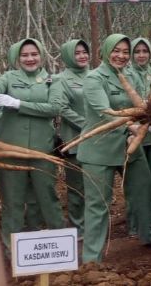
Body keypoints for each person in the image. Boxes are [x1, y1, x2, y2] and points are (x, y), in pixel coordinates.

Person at [77, 34, 151, 262]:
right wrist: (132, 129)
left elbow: (142, 106)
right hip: (99, 148)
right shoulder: (93, 78)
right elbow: (105, 112)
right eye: (116, 50)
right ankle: (91, 259)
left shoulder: (130, 75)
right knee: (98, 203)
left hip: (130, 145)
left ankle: (147, 234)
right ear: (106, 50)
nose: (121, 56)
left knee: (142, 190)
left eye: (125, 52)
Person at [0, 38, 64, 250]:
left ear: (41, 55)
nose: (30, 58)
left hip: (42, 149)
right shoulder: (8, 78)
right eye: (24, 55)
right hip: (9, 149)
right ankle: (12, 250)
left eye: (34, 54)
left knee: (47, 196)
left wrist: (17, 103)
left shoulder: (52, 80)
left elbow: (55, 108)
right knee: (12, 200)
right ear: (16, 58)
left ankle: (57, 244)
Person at [48, 39, 90, 235]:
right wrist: (88, 125)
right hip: (75, 140)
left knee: (94, 187)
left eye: (84, 52)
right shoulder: (60, 79)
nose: (82, 56)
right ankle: (78, 229)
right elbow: (61, 108)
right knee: (76, 189)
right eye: (77, 53)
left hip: (98, 140)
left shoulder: (95, 75)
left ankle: (94, 227)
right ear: (67, 56)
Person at [124, 37, 151, 230]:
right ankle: (135, 223)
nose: (141, 55)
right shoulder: (126, 73)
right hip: (134, 133)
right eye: (137, 51)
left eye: (144, 51)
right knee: (137, 182)